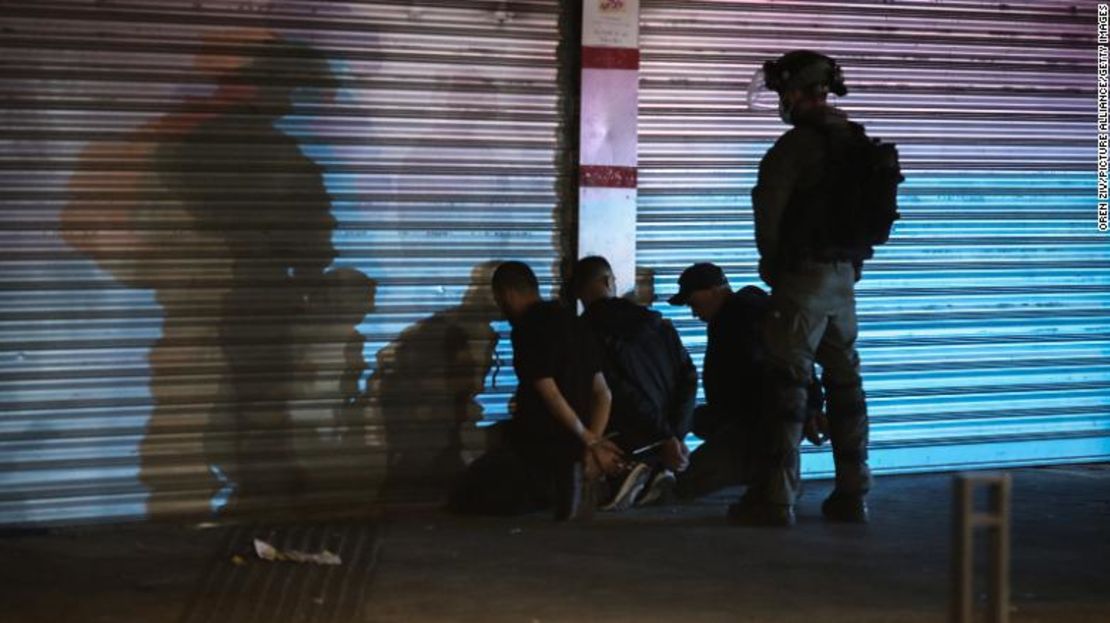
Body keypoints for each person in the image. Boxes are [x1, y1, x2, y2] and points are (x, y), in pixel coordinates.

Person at [747, 50, 874, 526]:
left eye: (784, 92)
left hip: (802, 278)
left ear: (798, 92)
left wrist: (776, 268)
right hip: (845, 279)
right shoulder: (854, 141)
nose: (782, 100)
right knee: (846, 384)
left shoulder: (795, 147)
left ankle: (778, 501)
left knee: (787, 385)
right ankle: (853, 492)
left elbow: (769, 215)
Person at [447, 261, 623, 520]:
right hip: (572, 444)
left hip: (540, 444)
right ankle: (576, 477)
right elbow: (603, 393)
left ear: (506, 294)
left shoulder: (527, 328)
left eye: (498, 300)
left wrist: (590, 442)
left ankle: (559, 484)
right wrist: (591, 443)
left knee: (467, 495)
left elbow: (548, 392)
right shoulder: (575, 322)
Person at [665, 263, 825, 508]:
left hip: (758, 421)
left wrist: (807, 410)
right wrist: (811, 407)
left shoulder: (738, 318)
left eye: (693, 302)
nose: (693, 313)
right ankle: (775, 474)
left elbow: (786, 367)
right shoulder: (741, 313)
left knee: (679, 485)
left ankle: (772, 479)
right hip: (763, 417)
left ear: (714, 290)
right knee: (698, 419)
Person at [572, 256, 698, 507]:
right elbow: (689, 377)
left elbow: (617, 391)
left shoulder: (585, 332)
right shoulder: (658, 324)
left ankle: (626, 473)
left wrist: (664, 437)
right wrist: (676, 434)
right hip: (666, 434)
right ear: (608, 281)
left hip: (634, 435)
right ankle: (652, 473)